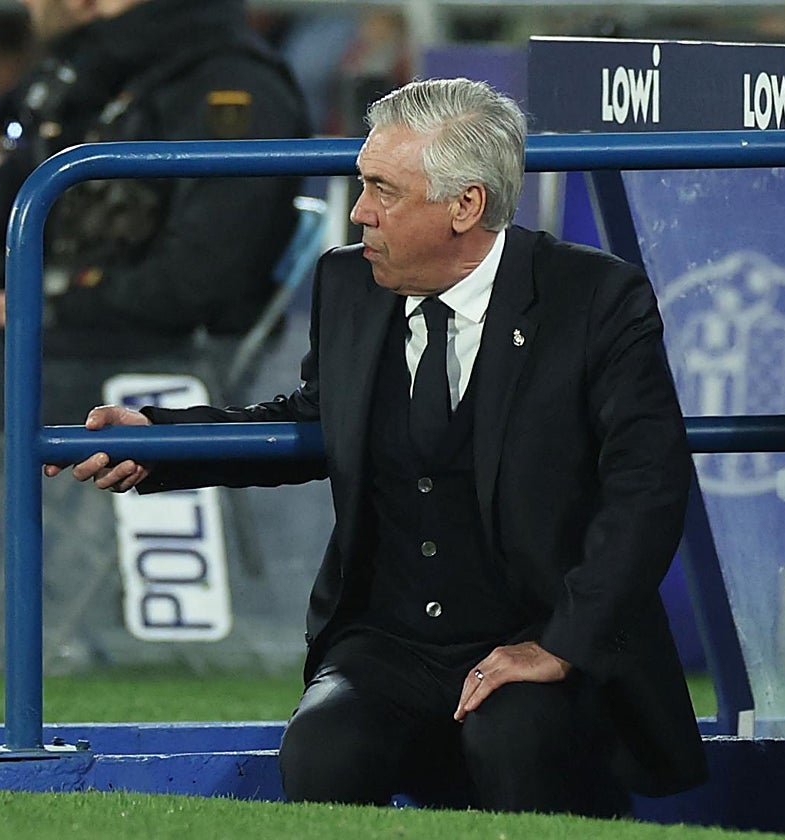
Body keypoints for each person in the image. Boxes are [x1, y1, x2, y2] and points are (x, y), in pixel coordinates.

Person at [48, 78, 706, 815]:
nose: (359, 211)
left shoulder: (596, 298)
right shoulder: (347, 281)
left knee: (516, 740)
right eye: (363, 185)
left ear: (466, 205)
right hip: (387, 641)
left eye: (382, 190)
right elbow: (314, 418)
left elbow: (647, 486)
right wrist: (162, 442)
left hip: (536, 624)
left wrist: (559, 644)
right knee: (323, 748)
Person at [0, 0, 310, 668]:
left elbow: (205, 276)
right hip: (39, 318)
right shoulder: (84, 65)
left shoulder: (231, 85)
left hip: (146, 343)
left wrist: (51, 306)